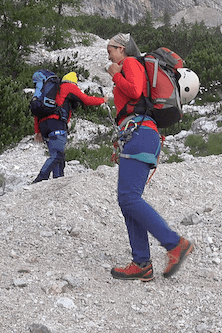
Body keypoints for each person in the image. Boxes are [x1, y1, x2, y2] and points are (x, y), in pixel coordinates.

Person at [106, 32, 192, 281]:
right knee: (127, 199)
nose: (108, 54)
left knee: (129, 198)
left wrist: (115, 75)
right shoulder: (130, 65)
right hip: (139, 133)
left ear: (121, 48)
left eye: (110, 49)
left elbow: (133, 91)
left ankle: (175, 245)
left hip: (139, 133)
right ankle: (141, 262)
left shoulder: (131, 63)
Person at [32, 71, 106, 183]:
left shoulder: (51, 93)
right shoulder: (68, 86)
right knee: (57, 154)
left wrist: (37, 131)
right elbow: (86, 100)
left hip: (44, 126)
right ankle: (40, 179)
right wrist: (103, 100)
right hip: (57, 124)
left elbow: (38, 113)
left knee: (58, 155)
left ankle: (58, 180)